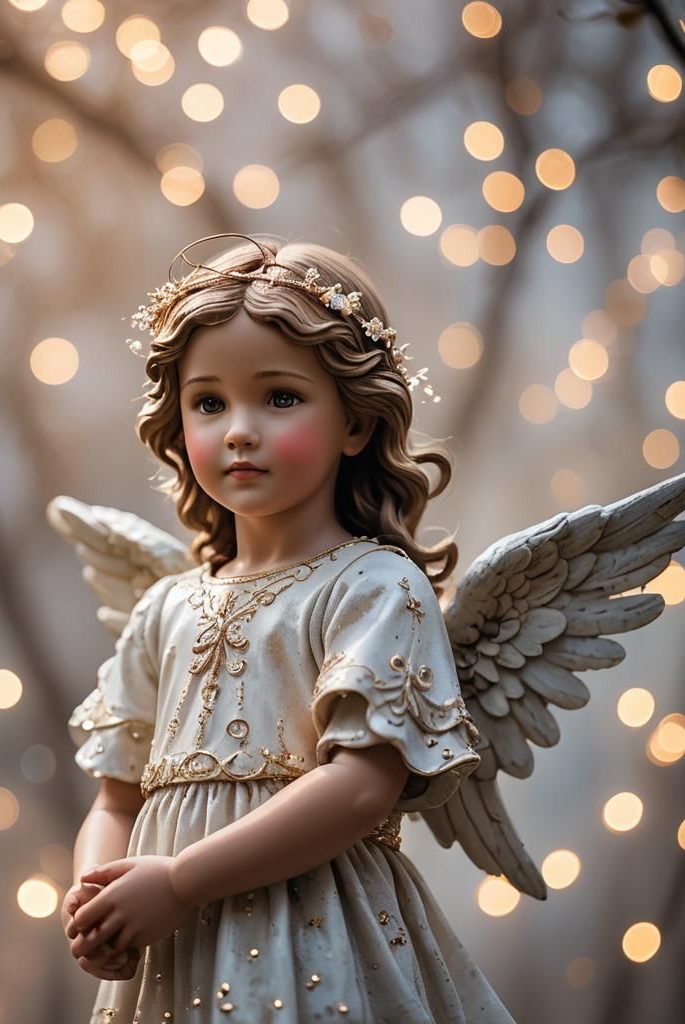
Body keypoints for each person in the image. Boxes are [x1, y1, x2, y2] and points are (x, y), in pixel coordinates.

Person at [60, 233, 516, 1022]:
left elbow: (360, 787)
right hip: (170, 951)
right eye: (209, 403)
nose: (239, 429)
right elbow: (116, 796)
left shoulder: (374, 587)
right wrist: (99, 895)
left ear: (356, 421)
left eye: (279, 397)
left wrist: (177, 881)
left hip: (313, 935)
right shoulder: (166, 609)